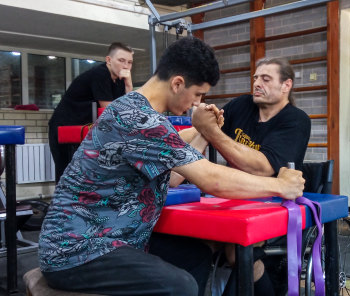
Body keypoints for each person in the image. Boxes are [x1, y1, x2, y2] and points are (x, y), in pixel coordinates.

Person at [38, 37, 305, 296]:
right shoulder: (139, 119)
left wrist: (204, 129)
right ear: (178, 83)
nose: (197, 103)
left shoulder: (143, 114)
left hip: (117, 239)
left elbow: (175, 173)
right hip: (77, 249)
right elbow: (212, 180)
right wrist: (281, 185)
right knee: (179, 285)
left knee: (196, 256)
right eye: (198, 94)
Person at [191, 58, 311, 296]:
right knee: (199, 241)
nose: (257, 83)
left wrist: (211, 130)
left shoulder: (296, 120)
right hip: (235, 199)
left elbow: (262, 167)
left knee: (237, 251)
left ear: (286, 85)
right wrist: (165, 138)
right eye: (256, 78)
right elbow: (199, 131)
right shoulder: (242, 105)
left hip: (273, 201)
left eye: (265, 79)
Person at [48, 42, 134, 183]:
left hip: (84, 130)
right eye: (121, 60)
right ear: (108, 60)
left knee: (87, 177)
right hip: (64, 127)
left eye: (129, 62)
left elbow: (127, 109)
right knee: (67, 175)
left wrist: (129, 85)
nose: (125, 66)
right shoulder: (100, 74)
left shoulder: (119, 82)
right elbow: (111, 111)